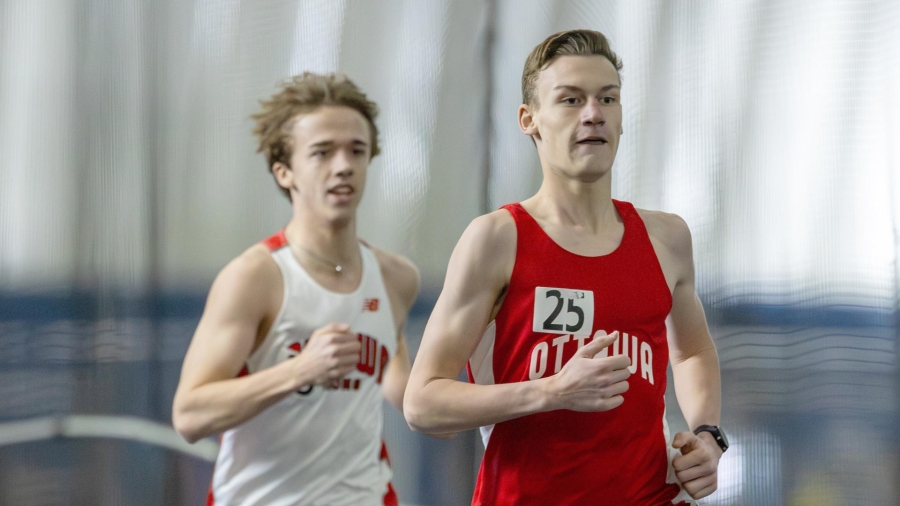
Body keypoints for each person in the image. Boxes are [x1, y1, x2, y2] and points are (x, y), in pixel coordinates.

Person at [404, 29, 726, 505]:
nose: (593, 114)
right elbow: (422, 403)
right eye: (571, 100)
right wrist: (551, 391)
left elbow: (692, 351)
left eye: (607, 99)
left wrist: (707, 436)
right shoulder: (496, 239)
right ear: (529, 119)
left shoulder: (666, 238)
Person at [172, 72, 419, 506]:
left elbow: (400, 389)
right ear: (284, 171)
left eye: (356, 151)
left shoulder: (397, 278)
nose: (343, 165)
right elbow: (190, 415)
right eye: (322, 152)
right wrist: (298, 371)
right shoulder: (255, 277)